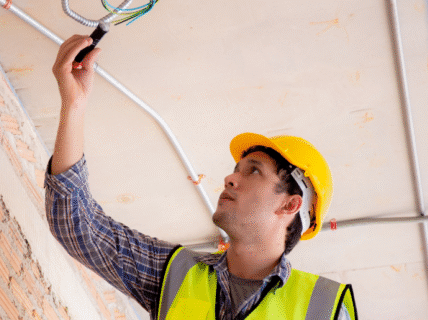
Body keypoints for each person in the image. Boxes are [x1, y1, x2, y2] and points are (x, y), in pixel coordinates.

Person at [45, 35, 358, 320]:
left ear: (290, 205)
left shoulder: (324, 309)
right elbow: (78, 226)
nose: (230, 179)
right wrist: (74, 104)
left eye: (253, 171)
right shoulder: (175, 273)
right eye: (236, 170)